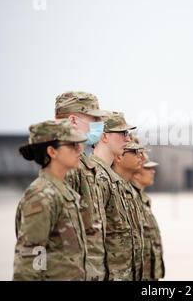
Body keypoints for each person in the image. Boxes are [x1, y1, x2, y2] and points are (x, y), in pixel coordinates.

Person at [13, 119, 88, 280]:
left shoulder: (63, 191)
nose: (79, 150)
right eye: (72, 145)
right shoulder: (41, 195)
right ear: (52, 152)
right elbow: (30, 257)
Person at [55, 91, 108, 281]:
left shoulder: (82, 162)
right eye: (94, 118)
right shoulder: (65, 166)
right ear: (73, 120)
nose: (99, 125)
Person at [90, 112, 143, 280]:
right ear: (104, 136)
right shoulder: (95, 177)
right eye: (123, 133)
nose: (128, 139)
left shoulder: (111, 178)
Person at [112, 139, 146, 281]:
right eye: (134, 152)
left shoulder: (129, 189)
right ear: (119, 157)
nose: (141, 157)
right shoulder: (110, 186)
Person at [131, 151, 165, 281]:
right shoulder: (132, 199)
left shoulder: (142, 198)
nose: (153, 171)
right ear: (137, 174)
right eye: (148, 168)